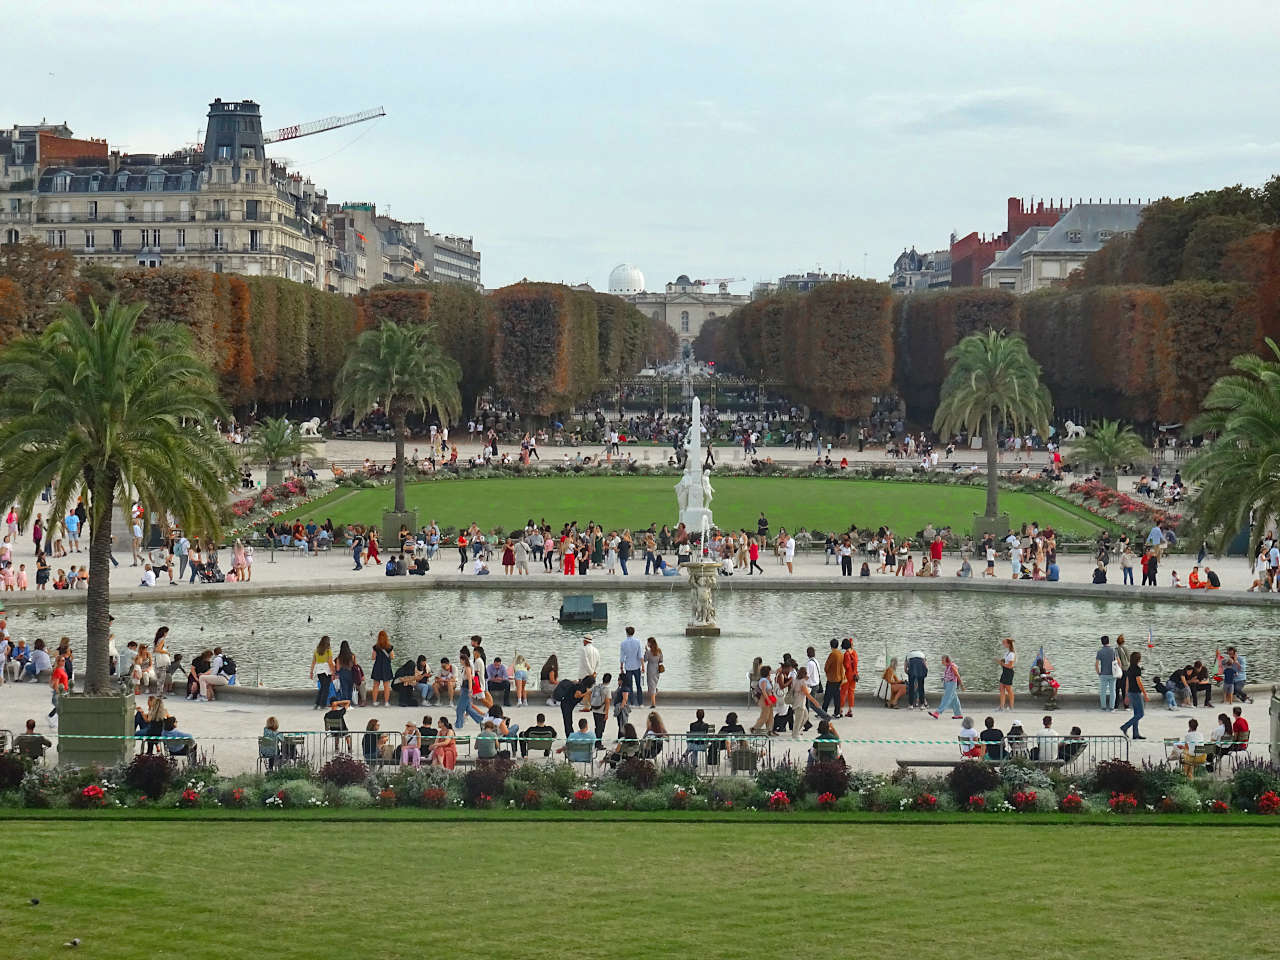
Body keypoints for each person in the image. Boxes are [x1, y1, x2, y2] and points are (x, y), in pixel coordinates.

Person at [1119, 650, 1149, 740]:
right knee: (1141, 714)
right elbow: (1139, 682)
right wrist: (1145, 693)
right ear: (1138, 659)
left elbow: (1127, 681)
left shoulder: (1130, 668)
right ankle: (1125, 726)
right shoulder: (1137, 669)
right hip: (1136, 693)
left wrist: (1126, 694)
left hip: (1131, 692)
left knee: (1136, 714)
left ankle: (1135, 734)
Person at [929, 654, 964, 720]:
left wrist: (961, 685)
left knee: (946, 698)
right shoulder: (948, 666)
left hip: (951, 684)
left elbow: (957, 675)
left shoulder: (952, 666)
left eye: (943, 660)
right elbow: (949, 675)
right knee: (954, 700)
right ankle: (958, 714)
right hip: (948, 684)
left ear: (947, 660)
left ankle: (937, 712)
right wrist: (944, 679)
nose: (941, 661)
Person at [619, 626, 644, 707]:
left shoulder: (623, 643)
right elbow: (640, 655)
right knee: (638, 685)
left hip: (628, 667)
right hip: (637, 666)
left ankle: (631, 702)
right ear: (633, 632)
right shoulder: (638, 642)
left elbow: (622, 657)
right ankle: (640, 703)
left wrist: (621, 667)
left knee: (629, 686)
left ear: (626, 633)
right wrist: (643, 666)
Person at [370, 630, 394, 707]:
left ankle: (374, 701)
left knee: (376, 685)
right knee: (386, 686)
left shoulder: (375, 647)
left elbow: (373, 657)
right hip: (386, 667)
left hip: (377, 667)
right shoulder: (389, 647)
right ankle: (386, 702)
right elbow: (392, 657)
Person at [310, 636, 333, 710]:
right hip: (326, 670)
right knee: (326, 688)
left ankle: (317, 703)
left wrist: (311, 672)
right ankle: (322, 705)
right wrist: (333, 671)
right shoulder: (328, 651)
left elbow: (313, 662)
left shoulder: (317, 650)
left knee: (322, 687)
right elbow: (330, 662)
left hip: (319, 670)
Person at [1096, 635, 1117, 711]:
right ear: (1108, 641)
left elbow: (1097, 664)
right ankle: (1112, 707)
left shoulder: (1100, 652)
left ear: (1102, 642)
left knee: (1103, 691)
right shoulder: (1113, 651)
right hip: (1112, 673)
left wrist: (1099, 673)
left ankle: (1103, 707)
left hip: (1103, 674)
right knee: (1112, 691)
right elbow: (1118, 662)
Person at [642, 636, 663, 707]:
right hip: (657, 669)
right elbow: (661, 660)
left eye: (648, 642)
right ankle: (655, 693)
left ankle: (653, 704)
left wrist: (645, 651)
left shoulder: (648, 652)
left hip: (650, 669)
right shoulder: (659, 651)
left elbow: (645, 660)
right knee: (653, 685)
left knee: (651, 686)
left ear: (650, 643)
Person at [840, 638, 858, 717]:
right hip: (854, 675)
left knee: (843, 693)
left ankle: (840, 710)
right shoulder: (854, 653)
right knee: (851, 692)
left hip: (847, 676)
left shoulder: (846, 654)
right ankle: (850, 710)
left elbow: (846, 666)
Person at [997, 638, 1016, 712]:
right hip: (1004, 671)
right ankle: (1001, 706)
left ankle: (1011, 707)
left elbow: (1010, 665)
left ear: (1008, 644)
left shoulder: (1011, 654)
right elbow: (1005, 662)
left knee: (1009, 690)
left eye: (1004, 643)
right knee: (1001, 688)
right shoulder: (1007, 653)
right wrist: (1001, 661)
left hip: (1008, 672)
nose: (1003, 644)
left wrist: (1001, 663)